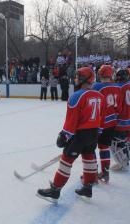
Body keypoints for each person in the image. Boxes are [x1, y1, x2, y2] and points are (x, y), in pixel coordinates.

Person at [37, 67, 105, 203]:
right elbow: (101, 118)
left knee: (66, 161)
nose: (76, 79)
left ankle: (55, 190)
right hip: (93, 134)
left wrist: (64, 135)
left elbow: (71, 120)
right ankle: (87, 187)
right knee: (89, 160)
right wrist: (98, 132)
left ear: (85, 79)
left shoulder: (76, 96)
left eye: (79, 77)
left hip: (79, 135)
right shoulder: (100, 96)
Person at [92, 65, 121, 183]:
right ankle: (105, 173)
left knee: (90, 148)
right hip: (112, 122)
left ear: (100, 74)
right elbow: (118, 106)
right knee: (104, 148)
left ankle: (92, 174)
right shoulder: (117, 87)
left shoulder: (96, 87)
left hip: (99, 123)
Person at [112, 69, 130, 170]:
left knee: (116, 142)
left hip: (121, 121)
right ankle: (126, 158)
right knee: (123, 141)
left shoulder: (118, 88)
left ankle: (123, 164)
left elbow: (117, 106)